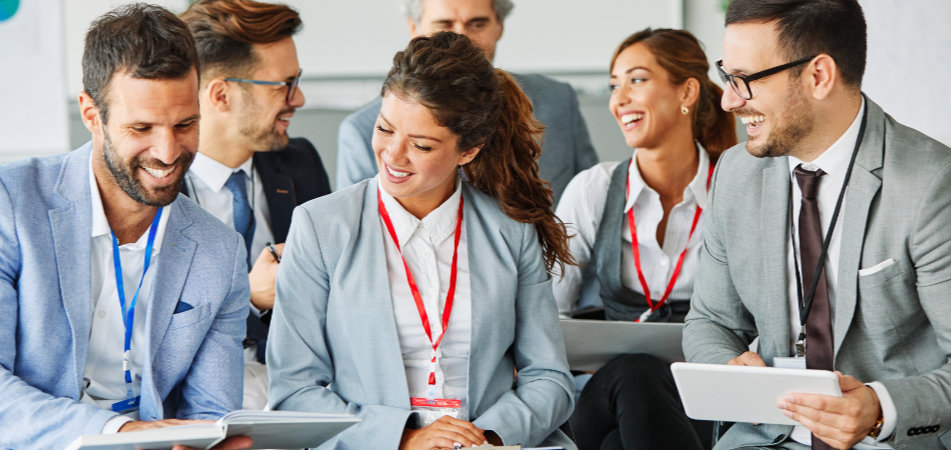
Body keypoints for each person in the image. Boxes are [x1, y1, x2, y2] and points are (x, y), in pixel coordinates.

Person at [0, 4, 252, 450]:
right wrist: (118, 433)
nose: (167, 152)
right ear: (91, 114)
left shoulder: (220, 250)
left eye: (185, 124)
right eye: (141, 127)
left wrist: (204, 440)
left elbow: (209, 414)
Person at [684, 0, 951, 449]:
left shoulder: (938, 186)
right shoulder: (736, 174)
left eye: (747, 80)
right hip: (770, 438)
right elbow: (710, 322)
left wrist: (879, 408)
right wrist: (728, 367)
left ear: (819, 75)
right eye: (727, 75)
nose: (729, 100)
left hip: (899, 440)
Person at [267, 32, 577, 450]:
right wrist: (405, 440)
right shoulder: (320, 227)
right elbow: (294, 393)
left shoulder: (509, 229)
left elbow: (550, 378)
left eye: (421, 144)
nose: (393, 155)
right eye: (384, 128)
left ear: (468, 151)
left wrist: (487, 438)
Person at [554, 28, 736, 450]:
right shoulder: (594, 189)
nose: (618, 100)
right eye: (614, 85)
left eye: (636, 80)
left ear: (686, 91)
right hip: (607, 393)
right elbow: (550, 314)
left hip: (705, 397)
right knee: (636, 373)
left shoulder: (737, 190)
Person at [178, 0, 331, 411]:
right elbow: (147, 320)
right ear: (221, 95)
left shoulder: (300, 163)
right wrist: (247, 296)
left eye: (297, 80)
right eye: (283, 84)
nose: (297, 99)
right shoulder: (155, 184)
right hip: (192, 404)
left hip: (296, 399)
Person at [335, 0, 598, 202]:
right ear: (414, 28)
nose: (463, 39)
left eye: (478, 23)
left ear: (500, 26)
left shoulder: (558, 101)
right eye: (445, 24)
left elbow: (591, 205)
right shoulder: (361, 131)